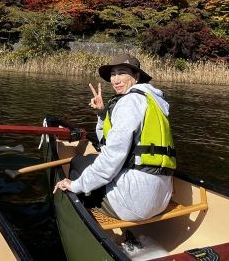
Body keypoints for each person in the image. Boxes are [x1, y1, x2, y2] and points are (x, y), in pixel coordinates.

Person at [53, 53, 176, 221]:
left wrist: (76, 185)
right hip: (161, 199)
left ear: (136, 76)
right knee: (92, 160)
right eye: (113, 74)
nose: (115, 79)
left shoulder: (129, 102)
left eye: (122, 72)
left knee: (78, 162)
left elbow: (112, 157)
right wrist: (103, 113)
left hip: (134, 203)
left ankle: (80, 217)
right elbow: (108, 140)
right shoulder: (155, 101)